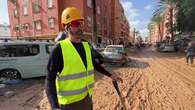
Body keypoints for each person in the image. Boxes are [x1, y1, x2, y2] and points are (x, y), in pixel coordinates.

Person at [46, 7, 123, 110]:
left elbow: (93, 64)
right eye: (75, 24)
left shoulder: (86, 45)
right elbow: (49, 80)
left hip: (87, 99)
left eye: (81, 23)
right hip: (70, 105)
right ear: (66, 27)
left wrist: (110, 75)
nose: (80, 27)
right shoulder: (59, 50)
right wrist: (55, 107)